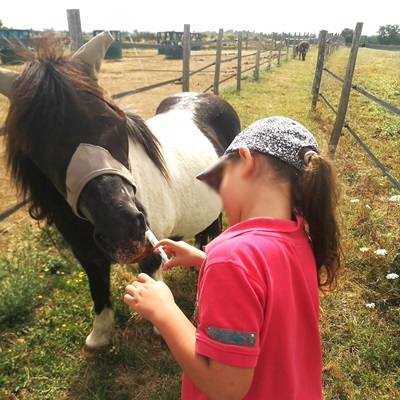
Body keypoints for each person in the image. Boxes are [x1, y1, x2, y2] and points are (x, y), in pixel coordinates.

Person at [124, 116, 342, 400]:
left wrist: (164, 311)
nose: (221, 199)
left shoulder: (232, 259)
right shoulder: (297, 236)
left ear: (246, 161)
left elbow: (225, 386)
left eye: (219, 182)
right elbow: (268, 285)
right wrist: (207, 259)